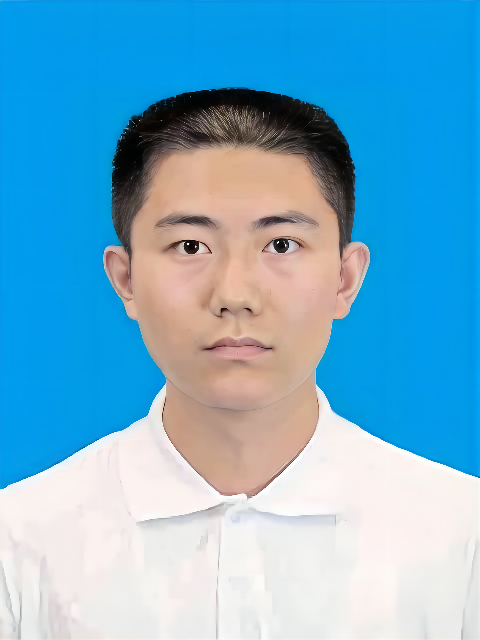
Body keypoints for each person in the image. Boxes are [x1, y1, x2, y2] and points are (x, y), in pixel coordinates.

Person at [0, 88, 478, 639]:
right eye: (190, 246)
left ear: (345, 279)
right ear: (125, 279)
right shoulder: (21, 542)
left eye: (281, 245)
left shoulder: (462, 536)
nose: (234, 295)